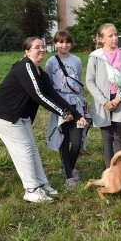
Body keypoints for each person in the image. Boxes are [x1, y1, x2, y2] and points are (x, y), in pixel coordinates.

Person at [0, 37, 85, 203]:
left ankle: (42, 184)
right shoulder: (25, 67)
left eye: (43, 46)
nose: (41, 49)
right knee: (23, 150)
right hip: (4, 114)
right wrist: (62, 112)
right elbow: (39, 96)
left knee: (32, 148)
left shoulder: (41, 72)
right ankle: (31, 189)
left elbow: (53, 95)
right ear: (27, 51)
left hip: (21, 115)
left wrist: (75, 114)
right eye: (36, 47)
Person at [87, 23, 121, 168]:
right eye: (110, 35)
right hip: (103, 102)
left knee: (119, 137)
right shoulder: (95, 57)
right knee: (107, 138)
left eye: (116, 34)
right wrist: (104, 101)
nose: (115, 38)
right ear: (101, 39)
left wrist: (119, 98)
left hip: (120, 100)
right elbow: (90, 81)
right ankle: (110, 173)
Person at [45, 30, 87, 189]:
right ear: (55, 44)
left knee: (76, 142)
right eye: (61, 42)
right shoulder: (51, 62)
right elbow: (48, 85)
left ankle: (69, 166)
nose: (64, 45)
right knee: (64, 140)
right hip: (59, 104)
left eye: (67, 42)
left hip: (76, 103)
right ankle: (69, 176)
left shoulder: (76, 60)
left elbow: (78, 83)